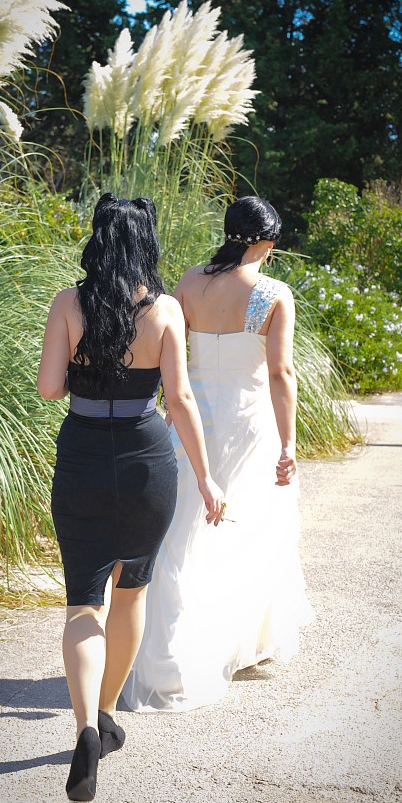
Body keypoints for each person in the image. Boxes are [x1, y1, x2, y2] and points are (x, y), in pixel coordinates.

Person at [37, 193, 224, 803]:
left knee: (82, 607)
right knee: (132, 591)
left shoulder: (68, 303)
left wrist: (84, 368)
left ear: (96, 239)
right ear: (147, 242)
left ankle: (86, 729)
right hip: (147, 463)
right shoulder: (164, 310)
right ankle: (109, 711)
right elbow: (181, 401)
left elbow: (49, 389)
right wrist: (206, 478)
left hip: (83, 459)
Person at [122, 195, 314, 712]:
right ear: (266, 243)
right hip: (250, 424)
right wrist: (289, 444)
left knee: (181, 532)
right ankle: (230, 642)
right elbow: (281, 373)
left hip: (194, 422)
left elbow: (169, 360)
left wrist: (165, 411)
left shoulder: (189, 283)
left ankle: (164, 653)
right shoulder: (274, 294)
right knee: (250, 530)